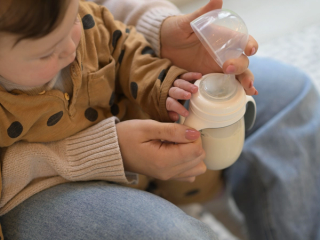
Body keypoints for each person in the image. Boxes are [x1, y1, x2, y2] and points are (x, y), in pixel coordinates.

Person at [1, 1, 320, 240]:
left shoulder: (85, 22)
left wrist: (166, 79)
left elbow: (124, 47)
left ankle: (216, 202)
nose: (72, 47)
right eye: (47, 54)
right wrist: (109, 150)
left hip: (141, 135)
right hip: (38, 187)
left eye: (71, 22)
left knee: (291, 95)